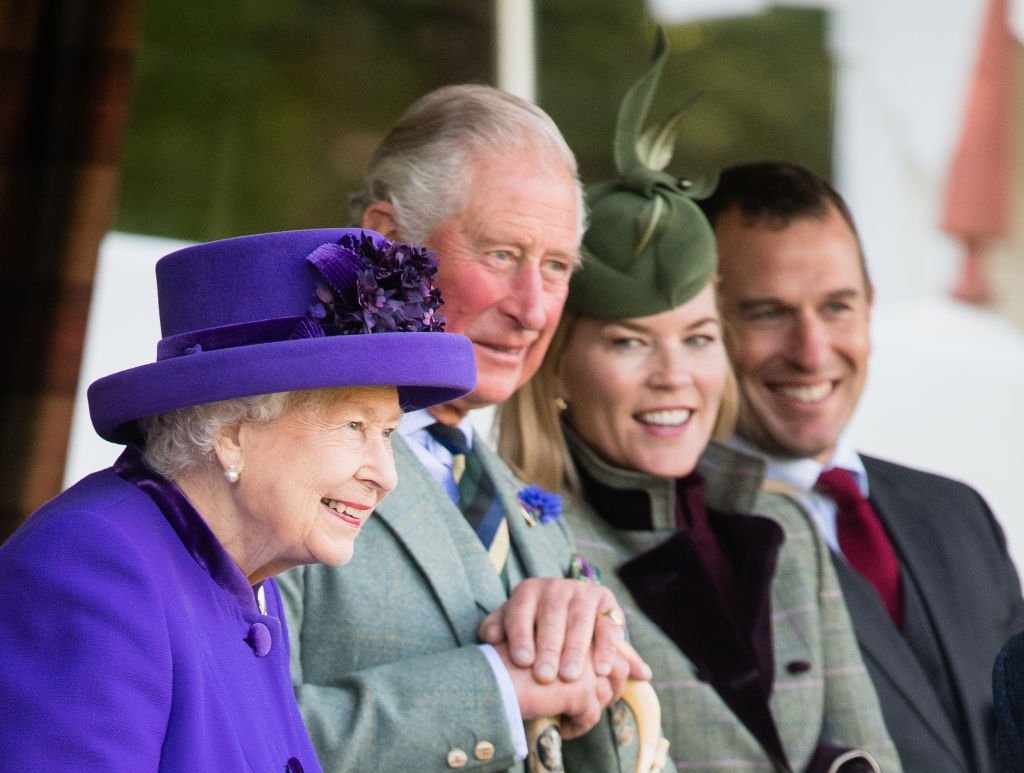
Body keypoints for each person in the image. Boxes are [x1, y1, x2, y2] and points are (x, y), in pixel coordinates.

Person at [500, 30, 898, 773]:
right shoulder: (524, 550)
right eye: (628, 342)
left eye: (699, 337)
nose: (673, 375)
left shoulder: (783, 525)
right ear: (556, 369)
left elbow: (870, 753)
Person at [277, 86, 656, 772]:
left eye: (557, 266)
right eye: (502, 254)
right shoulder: (285, 456)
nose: (533, 309)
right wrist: (493, 691)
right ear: (389, 242)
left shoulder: (527, 506)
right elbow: (238, 737)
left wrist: (600, 658)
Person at [0, 228, 477, 769]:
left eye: (387, 433)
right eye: (352, 425)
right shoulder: (92, 565)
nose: (384, 475)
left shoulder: (247, 581)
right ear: (231, 432)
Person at [697, 161, 1024, 773]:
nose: (812, 351)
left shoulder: (959, 512)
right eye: (769, 313)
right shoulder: (678, 543)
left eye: (837, 307)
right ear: (703, 325)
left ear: (870, 307)